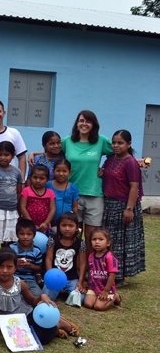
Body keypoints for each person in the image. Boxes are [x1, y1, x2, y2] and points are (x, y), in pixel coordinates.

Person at [0, 247, 79, 343]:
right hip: (5, 321)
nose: (5, 270)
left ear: (15, 267)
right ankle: (55, 328)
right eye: (1, 266)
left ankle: (58, 323)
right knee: (19, 335)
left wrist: (42, 296)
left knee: (43, 338)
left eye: (9, 267)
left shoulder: (20, 283)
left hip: (24, 316)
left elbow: (32, 301)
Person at [61, 110, 113, 246]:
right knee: (72, 234)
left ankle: (90, 267)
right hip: (72, 194)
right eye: (81, 121)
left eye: (88, 121)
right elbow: (52, 151)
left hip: (94, 194)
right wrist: (33, 154)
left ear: (93, 125)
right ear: (77, 123)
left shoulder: (101, 141)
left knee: (92, 236)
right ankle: (75, 266)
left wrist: (105, 168)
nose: (84, 124)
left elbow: (118, 153)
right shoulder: (67, 141)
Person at [101, 129, 145, 286]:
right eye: (114, 142)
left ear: (129, 144)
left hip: (124, 206)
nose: (116, 145)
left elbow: (134, 187)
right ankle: (107, 272)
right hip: (109, 205)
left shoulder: (130, 162)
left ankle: (119, 276)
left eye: (120, 143)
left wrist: (129, 208)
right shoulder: (110, 159)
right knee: (110, 240)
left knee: (121, 242)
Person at [42, 212, 87, 303]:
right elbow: (48, 259)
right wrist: (50, 277)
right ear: (59, 226)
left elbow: (82, 263)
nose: (67, 229)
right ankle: (55, 290)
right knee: (46, 298)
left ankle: (65, 293)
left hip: (71, 278)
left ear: (76, 227)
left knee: (81, 299)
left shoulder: (80, 243)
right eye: (64, 225)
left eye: (71, 226)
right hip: (56, 277)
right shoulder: (52, 239)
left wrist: (80, 281)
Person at [85, 228, 122, 311]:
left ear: (108, 243)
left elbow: (112, 275)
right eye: (94, 239)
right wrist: (88, 284)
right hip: (94, 287)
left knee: (98, 307)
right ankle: (97, 296)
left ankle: (115, 297)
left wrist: (106, 291)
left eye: (101, 239)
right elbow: (91, 271)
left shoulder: (110, 257)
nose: (97, 242)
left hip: (106, 288)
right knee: (88, 304)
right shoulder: (91, 256)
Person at [10, 219, 44, 296]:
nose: (25, 237)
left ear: (34, 235)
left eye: (29, 234)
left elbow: (39, 267)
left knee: (38, 294)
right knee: (12, 294)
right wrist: (16, 264)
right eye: (22, 234)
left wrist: (31, 266)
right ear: (17, 234)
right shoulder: (11, 248)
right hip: (14, 278)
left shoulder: (36, 251)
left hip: (29, 279)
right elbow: (5, 264)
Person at [20, 164, 56, 233]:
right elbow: (22, 207)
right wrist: (31, 223)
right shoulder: (26, 190)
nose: (38, 180)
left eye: (42, 178)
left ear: (47, 179)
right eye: (35, 177)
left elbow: (52, 209)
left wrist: (46, 223)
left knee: (43, 242)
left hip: (44, 226)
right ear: (30, 177)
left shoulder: (50, 193)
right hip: (28, 225)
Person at [46, 159, 79, 232]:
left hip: (67, 224)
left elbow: (75, 207)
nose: (61, 174)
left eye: (64, 171)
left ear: (70, 172)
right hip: (50, 223)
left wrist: (75, 222)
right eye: (58, 171)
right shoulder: (48, 185)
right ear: (53, 171)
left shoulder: (73, 188)